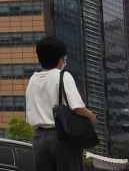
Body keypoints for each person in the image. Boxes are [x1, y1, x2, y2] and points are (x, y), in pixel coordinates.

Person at [26, 36, 98, 171]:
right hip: (62, 137)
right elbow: (77, 107)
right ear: (60, 59)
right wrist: (91, 117)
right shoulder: (62, 76)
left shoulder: (32, 80)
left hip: (38, 140)